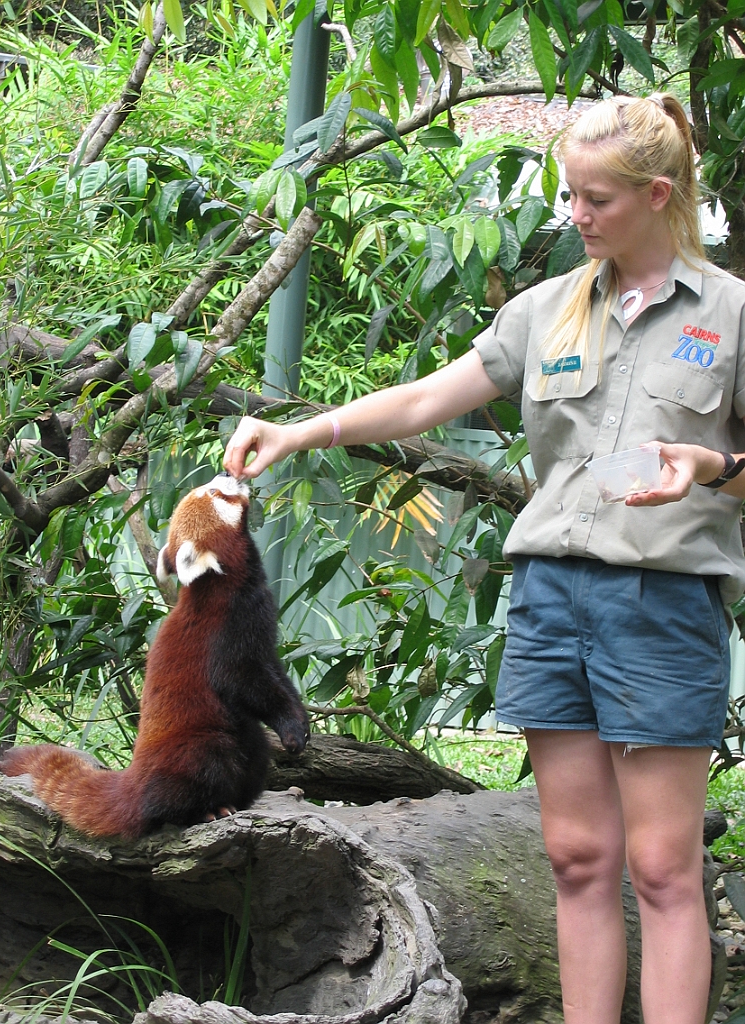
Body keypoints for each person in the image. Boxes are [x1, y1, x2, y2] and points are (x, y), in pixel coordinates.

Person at [223, 93, 745, 1024]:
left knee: (663, 868)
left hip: (662, 606)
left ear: (658, 195)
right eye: (568, 196)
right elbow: (431, 398)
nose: (575, 216)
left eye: (595, 200)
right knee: (579, 858)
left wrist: (712, 468)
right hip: (552, 598)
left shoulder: (732, 314)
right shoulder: (550, 309)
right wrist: (301, 432)